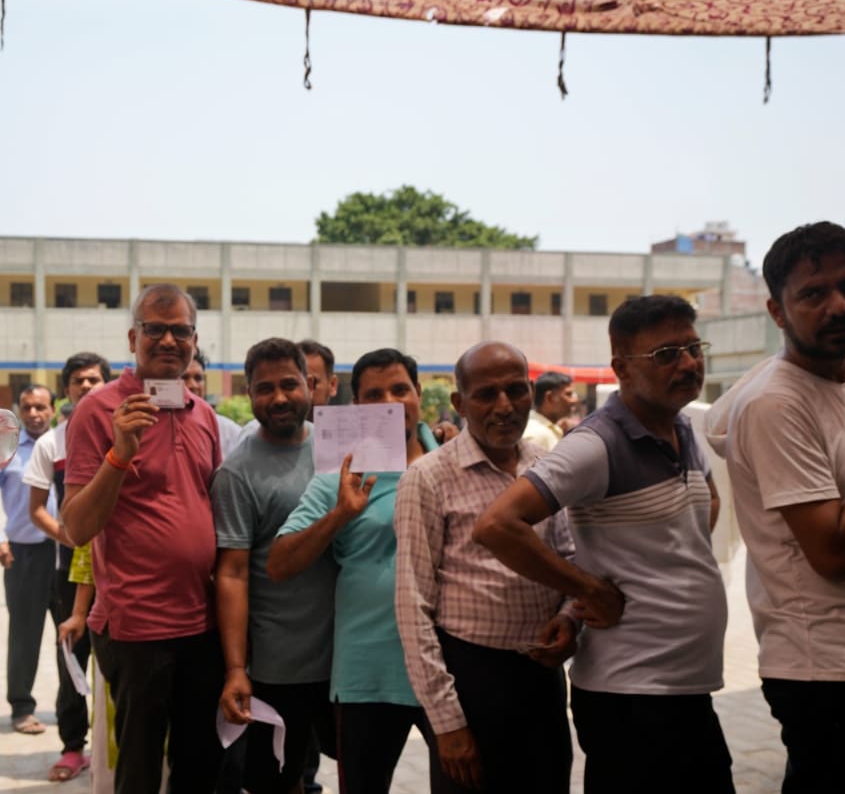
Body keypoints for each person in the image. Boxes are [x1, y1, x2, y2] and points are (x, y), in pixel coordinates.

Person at [474, 295, 732, 794]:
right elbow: (496, 525)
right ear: (622, 369)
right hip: (633, 698)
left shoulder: (681, 427)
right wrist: (587, 590)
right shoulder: (597, 444)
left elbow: (702, 510)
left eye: (692, 347)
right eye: (665, 354)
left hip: (683, 688)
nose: (687, 363)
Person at [61, 283, 224, 794]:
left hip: (201, 622)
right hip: (135, 627)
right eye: (156, 328)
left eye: (181, 330)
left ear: (194, 341)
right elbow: (77, 526)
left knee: (197, 765)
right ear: (134, 337)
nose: (169, 340)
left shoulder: (205, 415)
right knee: (139, 769)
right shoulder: (99, 410)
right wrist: (119, 453)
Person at [395, 341, 576, 794]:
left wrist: (572, 619)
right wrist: (447, 723)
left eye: (516, 390)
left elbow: (572, 558)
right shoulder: (429, 476)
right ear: (459, 403)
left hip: (542, 679)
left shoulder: (548, 466)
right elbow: (412, 604)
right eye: (486, 394)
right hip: (471, 682)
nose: (504, 406)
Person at [705, 221, 845, 793]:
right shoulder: (776, 404)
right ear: (777, 312)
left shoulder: (832, 381)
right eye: (813, 294)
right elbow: (831, 550)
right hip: (825, 668)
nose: (838, 305)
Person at [269, 348, 444, 794]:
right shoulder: (339, 478)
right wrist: (339, 516)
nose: (390, 401)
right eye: (374, 394)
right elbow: (279, 563)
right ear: (358, 407)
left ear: (419, 395)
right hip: (368, 676)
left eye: (400, 389)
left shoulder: (453, 463)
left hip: (448, 671)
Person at [213, 337, 336, 794]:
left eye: (290, 383)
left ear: (311, 384)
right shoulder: (236, 473)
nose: (279, 397)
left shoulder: (341, 449)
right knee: (276, 781)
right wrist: (236, 669)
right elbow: (232, 573)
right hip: (277, 667)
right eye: (265, 388)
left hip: (346, 655)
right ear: (249, 395)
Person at [22, 352, 111, 779]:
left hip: (117, 573)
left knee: (120, 664)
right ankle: (73, 748)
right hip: (70, 571)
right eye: (78, 380)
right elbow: (36, 509)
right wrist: (71, 537)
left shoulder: (124, 435)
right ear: (66, 390)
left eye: (95, 379)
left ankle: (116, 749)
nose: (87, 386)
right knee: (71, 659)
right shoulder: (50, 443)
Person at [0, 384, 58, 737]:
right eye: (28, 407)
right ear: (19, 411)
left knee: (72, 634)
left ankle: (72, 708)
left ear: (53, 409)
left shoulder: (66, 444)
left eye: (41, 407)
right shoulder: (5, 449)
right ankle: (21, 706)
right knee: (24, 634)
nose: (35, 413)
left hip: (68, 552)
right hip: (23, 555)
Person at [237, 339, 339, 447]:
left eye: (289, 385)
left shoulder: (340, 438)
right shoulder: (250, 440)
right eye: (266, 389)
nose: (280, 399)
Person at [183, 349, 243, 455]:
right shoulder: (159, 426)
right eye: (184, 377)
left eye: (198, 378)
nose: (192, 385)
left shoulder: (228, 430)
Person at [521, 371, 577, 451]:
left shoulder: (550, 429)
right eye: (568, 394)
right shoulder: (537, 435)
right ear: (550, 397)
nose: (574, 400)